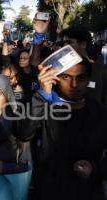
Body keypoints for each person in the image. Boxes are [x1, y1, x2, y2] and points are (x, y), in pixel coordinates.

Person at [15, 58, 107, 200]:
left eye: (81, 78)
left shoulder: (100, 114)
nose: (74, 84)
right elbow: (24, 133)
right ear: (55, 78)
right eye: (66, 77)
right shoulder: (43, 105)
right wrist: (42, 96)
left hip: (88, 193)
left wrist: (94, 168)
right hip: (48, 191)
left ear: (89, 80)